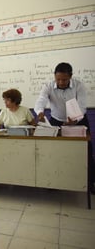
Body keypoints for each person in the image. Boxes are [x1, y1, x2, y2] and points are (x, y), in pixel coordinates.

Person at [34, 62, 94, 193]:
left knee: (86, 151)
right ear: (54, 77)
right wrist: (39, 112)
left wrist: (75, 119)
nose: (61, 82)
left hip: (78, 120)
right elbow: (41, 100)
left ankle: (90, 183)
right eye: (58, 79)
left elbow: (82, 106)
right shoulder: (48, 86)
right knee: (54, 151)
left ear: (70, 77)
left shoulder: (79, 86)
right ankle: (54, 182)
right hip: (56, 121)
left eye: (64, 79)